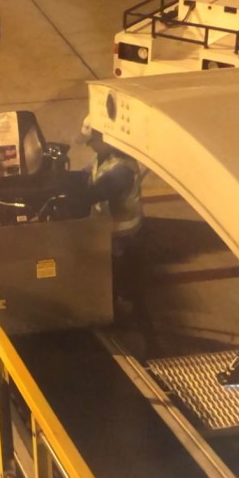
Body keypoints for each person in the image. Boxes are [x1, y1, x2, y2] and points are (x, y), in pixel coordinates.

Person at [78, 118, 147, 324]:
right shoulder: (104, 156)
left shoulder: (120, 170)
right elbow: (87, 172)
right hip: (108, 228)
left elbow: (94, 193)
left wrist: (71, 193)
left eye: (92, 141)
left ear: (104, 138)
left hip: (122, 232)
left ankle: (126, 312)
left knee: (119, 273)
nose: (89, 146)